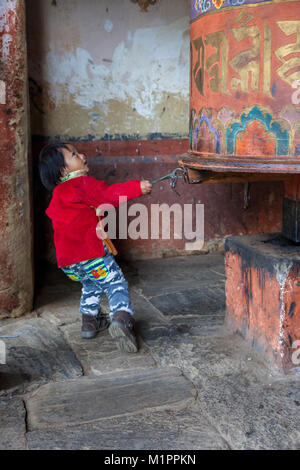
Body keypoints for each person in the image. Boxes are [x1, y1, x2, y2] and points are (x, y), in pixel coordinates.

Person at [38, 142, 152, 353]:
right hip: (91, 255)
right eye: (74, 155)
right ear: (64, 170)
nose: (81, 155)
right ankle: (121, 319)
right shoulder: (81, 184)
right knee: (115, 282)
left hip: (69, 264)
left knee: (91, 284)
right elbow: (108, 196)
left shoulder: (57, 195)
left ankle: (90, 322)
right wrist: (137, 187)